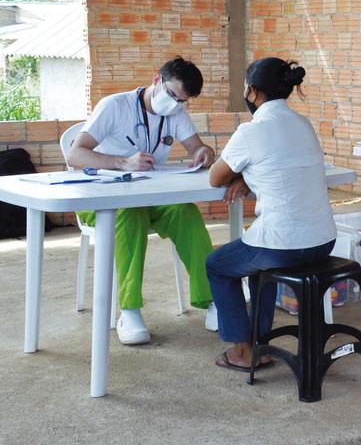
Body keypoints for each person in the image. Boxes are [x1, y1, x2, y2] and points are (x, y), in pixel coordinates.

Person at [67, 57, 218, 344]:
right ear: (156, 80)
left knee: (186, 212)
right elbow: (75, 155)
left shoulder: (175, 112)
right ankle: (130, 310)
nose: (175, 104)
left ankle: (212, 300)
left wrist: (203, 152)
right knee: (130, 215)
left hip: (148, 196)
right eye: (172, 95)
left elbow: (197, 146)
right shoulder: (115, 106)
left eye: (183, 101)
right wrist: (121, 162)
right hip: (100, 198)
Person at [206, 58, 337, 372]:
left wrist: (239, 175)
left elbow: (215, 177)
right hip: (323, 240)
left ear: (252, 91)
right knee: (257, 265)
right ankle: (259, 343)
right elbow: (279, 167)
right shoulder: (303, 124)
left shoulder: (251, 131)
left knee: (219, 266)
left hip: (283, 244)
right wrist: (246, 176)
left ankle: (241, 350)